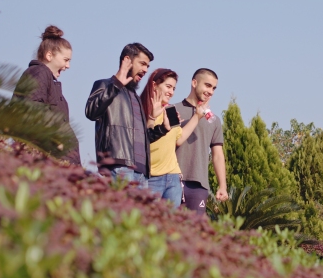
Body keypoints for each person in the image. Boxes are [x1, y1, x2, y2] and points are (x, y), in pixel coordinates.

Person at [84, 42, 168, 185]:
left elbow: (140, 139)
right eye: (142, 64)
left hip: (142, 173)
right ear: (127, 60)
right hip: (119, 167)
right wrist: (115, 85)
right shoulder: (105, 85)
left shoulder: (135, 96)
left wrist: (162, 129)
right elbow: (91, 112)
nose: (145, 69)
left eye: (147, 66)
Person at [139, 68, 209, 207]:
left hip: (173, 178)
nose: (171, 92)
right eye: (168, 86)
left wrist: (197, 116)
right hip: (151, 179)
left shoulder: (170, 110)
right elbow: (142, 140)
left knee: (170, 226)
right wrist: (152, 117)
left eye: (174, 88)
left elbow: (179, 139)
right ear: (154, 85)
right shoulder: (139, 109)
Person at [14, 25, 81, 165]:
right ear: (49, 55)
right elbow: (31, 109)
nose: (68, 66)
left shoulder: (47, 79)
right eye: (66, 60)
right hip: (47, 160)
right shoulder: (39, 72)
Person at [174, 68, 229, 214]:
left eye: (214, 88)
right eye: (207, 85)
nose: (210, 91)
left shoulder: (214, 121)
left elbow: (217, 155)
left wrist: (222, 186)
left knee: (195, 233)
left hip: (199, 185)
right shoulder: (173, 110)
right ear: (194, 83)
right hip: (171, 180)